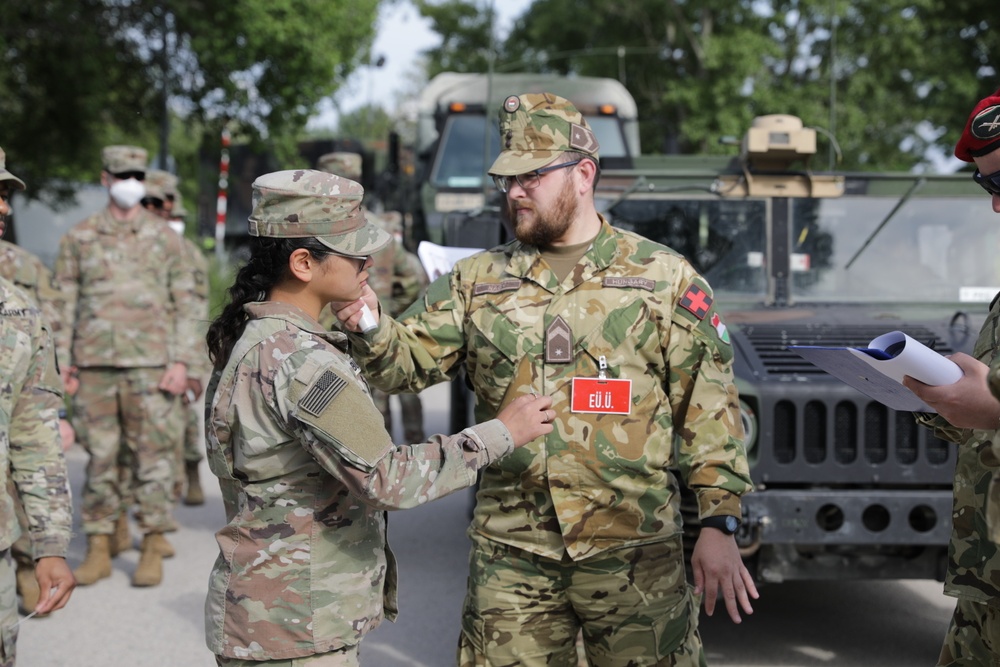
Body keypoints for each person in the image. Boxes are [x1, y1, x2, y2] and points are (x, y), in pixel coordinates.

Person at [335, 93, 756, 665]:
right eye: (507, 180)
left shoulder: (661, 277)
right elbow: (404, 364)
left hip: (635, 547)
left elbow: (707, 404)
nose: (513, 192)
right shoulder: (475, 281)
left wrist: (720, 521)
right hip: (512, 553)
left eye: (531, 177)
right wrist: (369, 323)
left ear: (583, 174)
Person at [202, 168, 554, 665]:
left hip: (268, 613)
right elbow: (388, 478)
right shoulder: (304, 362)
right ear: (303, 262)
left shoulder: (253, 337)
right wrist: (500, 434)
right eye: (353, 252)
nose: (369, 261)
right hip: (299, 625)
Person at [53, 145, 201, 588]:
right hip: (95, 364)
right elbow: (63, 304)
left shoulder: (165, 239)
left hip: (152, 366)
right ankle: (99, 544)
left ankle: (153, 540)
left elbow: (186, 303)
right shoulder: (78, 238)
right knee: (100, 458)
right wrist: (62, 364)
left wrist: (182, 361)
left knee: (152, 458)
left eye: (136, 173)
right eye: (121, 174)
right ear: (105, 179)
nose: (129, 182)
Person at [903, 87, 1000, 666]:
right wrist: (934, 394)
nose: (994, 204)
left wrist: (988, 405)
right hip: (986, 574)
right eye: (986, 185)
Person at [0, 152, 76, 664]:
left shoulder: (18, 313)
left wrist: (49, 544)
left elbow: (36, 438)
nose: (2, 208)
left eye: (4, 195)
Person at [316, 152, 428, 442]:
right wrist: (391, 314)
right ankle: (404, 453)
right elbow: (413, 279)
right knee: (392, 390)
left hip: (326, 340)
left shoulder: (309, 231)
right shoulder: (381, 227)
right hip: (377, 329)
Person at [143, 170, 211, 506]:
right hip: (140, 353)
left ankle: (191, 470)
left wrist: (195, 365)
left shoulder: (189, 255)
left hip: (177, 352)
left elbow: (196, 313)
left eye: (172, 213)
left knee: (182, 421)